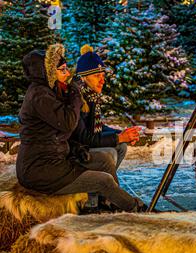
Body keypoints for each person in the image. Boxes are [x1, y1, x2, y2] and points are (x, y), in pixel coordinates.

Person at [16, 44, 144, 212]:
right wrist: (76, 93)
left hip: (58, 158)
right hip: (41, 169)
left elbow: (76, 130)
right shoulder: (41, 96)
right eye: (63, 70)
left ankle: (106, 204)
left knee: (106, 160)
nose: (68, 74)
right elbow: (70, 123)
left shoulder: (51, 91)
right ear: (47, 72)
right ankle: (135, 209)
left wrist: (119, 135)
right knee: (103, 179)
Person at [70, 44, 140, 170]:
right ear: (83, 77)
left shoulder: (90, 95)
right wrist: (119, 137)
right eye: (97, 76)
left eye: (103, 76)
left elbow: (97, 127)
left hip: (85, 143)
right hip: (75, 149)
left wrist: (123, 134)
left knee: (121, 146)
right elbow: (84, 137)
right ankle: (101, 186)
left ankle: (105, 185)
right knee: (111, 152)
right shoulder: (76, 98)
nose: (102, 80)